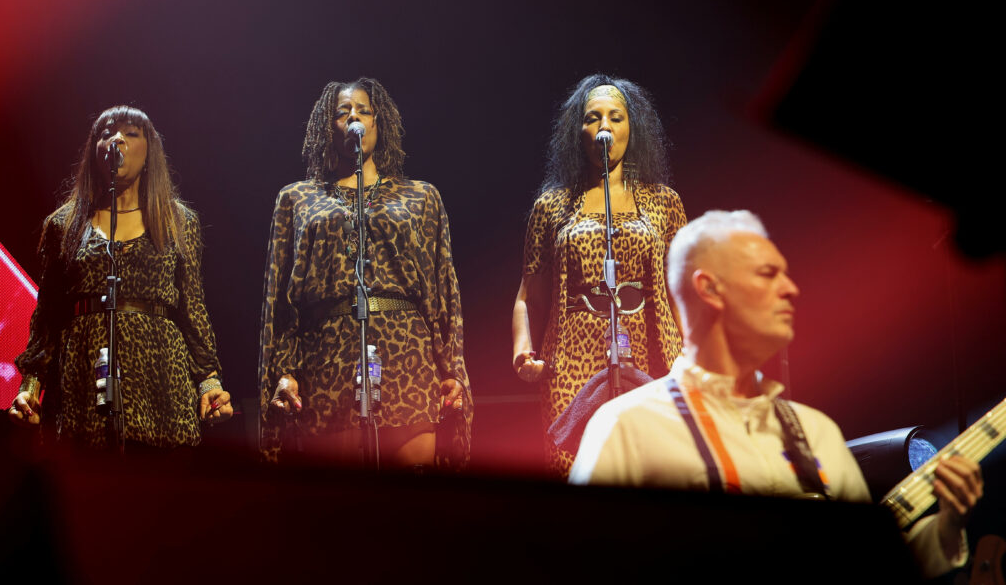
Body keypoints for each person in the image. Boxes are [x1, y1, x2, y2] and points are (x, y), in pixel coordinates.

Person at [570, 210, 983, 578]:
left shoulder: (817, 431)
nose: (790, 288)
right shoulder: (626, 425)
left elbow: (869, 562)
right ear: (709, 289)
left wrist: (946, 526)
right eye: (768, 274)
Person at [259, 77, 471, 468]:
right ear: (329, 128)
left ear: (377, 122)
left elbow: (444, 288)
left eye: (363, 110)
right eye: (343, 112)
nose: (353, 117)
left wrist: (451, 367)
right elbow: (279, 299)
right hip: (327, 357)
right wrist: (283, 369)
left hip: (407, 354)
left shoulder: (421, 196)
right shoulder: (296, 198)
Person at [8, 106, 232, 449]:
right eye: (107, 133)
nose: (117, 139)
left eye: (131, 133)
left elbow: (193, 307)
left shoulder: (178, 221)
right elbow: (47, 315)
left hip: (160, 377)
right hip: (83, 376)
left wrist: (209, 381)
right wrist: (30, 386)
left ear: (149, 149)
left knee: (156, 476)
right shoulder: (63, 225)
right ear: (94, 150)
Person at [512, 74, 686, 476]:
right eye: (593, 118)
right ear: (578, 132)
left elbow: (680, 290)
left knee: (651, 467)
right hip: (572, 355)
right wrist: (523, 350)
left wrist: (690, 352)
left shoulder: (664, 202)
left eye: (615, 117)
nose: (604, 127)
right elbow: (528, 296)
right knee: (576, 468)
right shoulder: (552, 206)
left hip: (650, 349)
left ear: (631, 128)